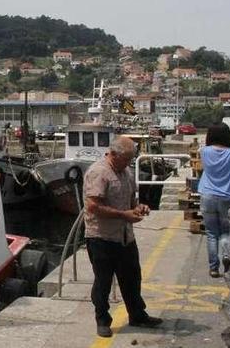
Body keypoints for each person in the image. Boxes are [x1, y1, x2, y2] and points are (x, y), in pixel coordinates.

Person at [83, 136, 163, 338]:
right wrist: (123, 215)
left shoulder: (125, 172)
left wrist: (138, 208)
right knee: (103, 281)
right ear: (114, 155)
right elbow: (92, 206)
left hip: (125, 236)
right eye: (126, 158)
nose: (129, 162)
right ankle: (102, 320)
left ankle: (137, 314)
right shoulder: (98, 172)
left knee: (132, 277)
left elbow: (131, 200)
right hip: (102, 237)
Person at [198, 123, 230, 278]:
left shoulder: (204, 151)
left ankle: (213, 268)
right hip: (227, 196)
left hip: (207, 195)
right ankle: (226, 257)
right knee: (227, 232)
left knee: (211, 233)